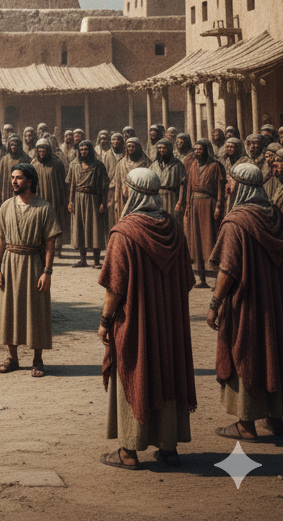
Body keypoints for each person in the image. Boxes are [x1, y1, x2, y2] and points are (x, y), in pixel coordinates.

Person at [97, 168, 196, 469]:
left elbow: (115, 287)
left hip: (136, 321)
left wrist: (105, 321)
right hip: (169, 323)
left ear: (132, 192)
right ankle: (169, 447)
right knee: (166, 373)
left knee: (134, 370)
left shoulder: (124, 233)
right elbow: (186, 279)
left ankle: (129, 450)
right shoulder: (174, 228)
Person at [207, 162, 283, 440]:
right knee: (273, 353)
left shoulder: (237, 222)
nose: (227, 186)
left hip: (248, 304)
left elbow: (228, 269)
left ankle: (246, 424)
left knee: (246, 352)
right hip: (277, 303)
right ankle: (275, 419)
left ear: (242, 186)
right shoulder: (276, 216)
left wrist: (214, 304)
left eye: (231, 182)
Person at [0, 162, 61, 378]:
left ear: (30, 181)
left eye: (19, 177)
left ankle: (37, 360)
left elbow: (50, 244)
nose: (14, 181)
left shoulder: (44, 208)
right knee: (9, 308)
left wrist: (47, 272)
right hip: (10, 263)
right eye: (12, 177)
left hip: (34, 264)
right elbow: (0, 239)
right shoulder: (6, 206)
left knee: (36, 308)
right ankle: (12, 358)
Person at [176, 139, 226, 287]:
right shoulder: (193, 165)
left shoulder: (215, 166)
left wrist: (218, 206)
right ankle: (202, 279)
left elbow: (220, 188)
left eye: (200, 149)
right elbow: (189, 188)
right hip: (194, 205)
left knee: (211, 240)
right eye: (196, 149)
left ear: (206, 150)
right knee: (196, 241)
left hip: (209, 205)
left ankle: (217, 279)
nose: (197, 152)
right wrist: (187, 206)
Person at [67, 140, 110, 268]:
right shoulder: (74, 164)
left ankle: (96, 260)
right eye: (81, 150)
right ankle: (83, 259)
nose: (83, 152)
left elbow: (103, 186)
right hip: (78, 198)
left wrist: (102, 202)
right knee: (80, 227)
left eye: (86, 149)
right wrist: (71, 201)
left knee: (95, 228)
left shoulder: (98, 165)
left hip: (93, 198)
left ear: (90, 150)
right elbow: (72, 185)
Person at [32, 139, 68, 255]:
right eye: (40, 151)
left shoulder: (57, 163)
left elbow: (62, 182)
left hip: (54, 197)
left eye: (44, 151)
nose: (42, 153)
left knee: (55, 222)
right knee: (40, 223)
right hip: (39, 198)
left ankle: (57, 248)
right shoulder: (33, 164)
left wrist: (63, 198)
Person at [151, 139, 186, 216]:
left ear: (169, 149)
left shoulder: (177, 164)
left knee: (170, 219)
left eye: (164, 148)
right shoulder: (153, 165)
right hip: (156, 198)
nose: (161, 150)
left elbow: (182, 184)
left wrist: (180, 201)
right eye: (159, 148)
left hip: (171, 198)